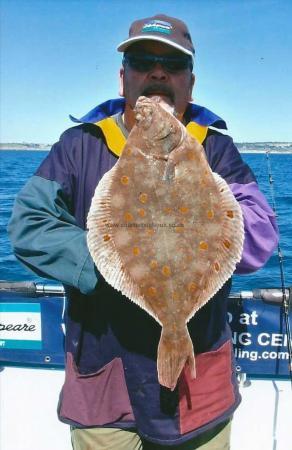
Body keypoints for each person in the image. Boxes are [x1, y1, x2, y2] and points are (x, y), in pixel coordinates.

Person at [8, 14, 278, 450]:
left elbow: (261, 237)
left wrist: (204, 214)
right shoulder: (79, 146)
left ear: (190, 82)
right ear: (122, 78)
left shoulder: (216, 149)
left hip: (198, 385)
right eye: (141, 60)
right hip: (104, 384)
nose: (156, 72)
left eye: (171, 64)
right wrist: (110, 265)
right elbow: (28, 225)